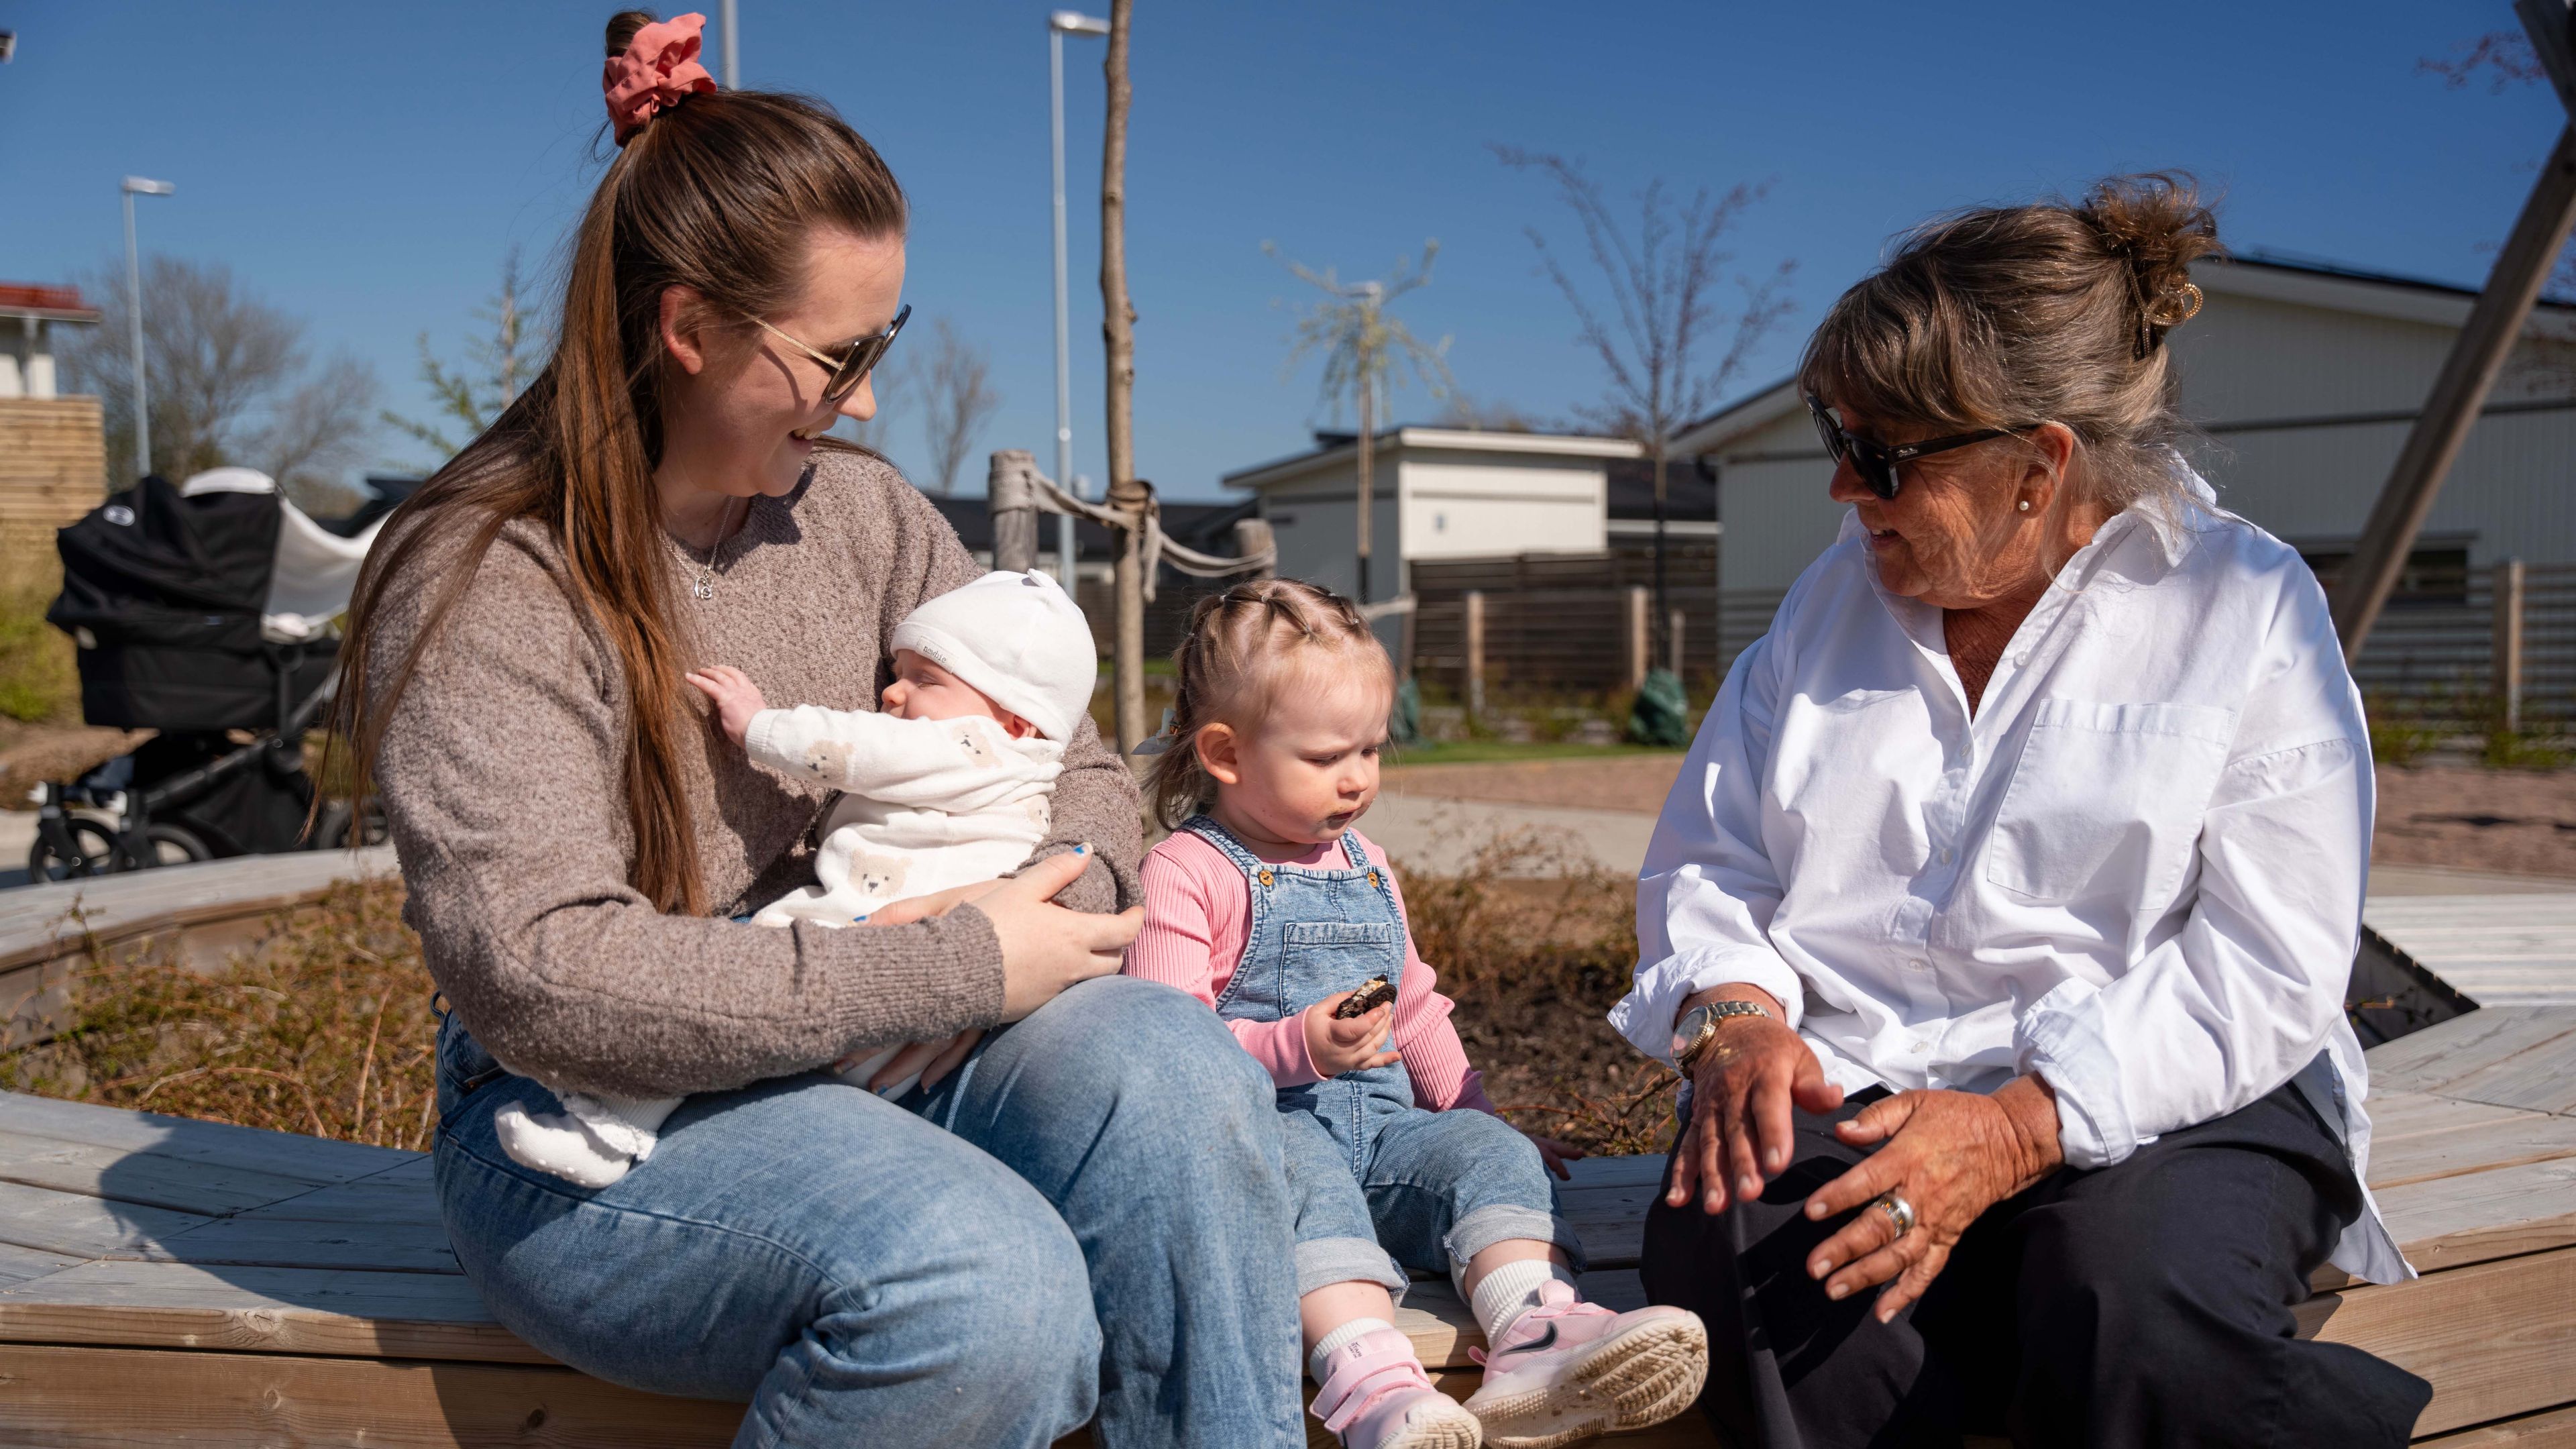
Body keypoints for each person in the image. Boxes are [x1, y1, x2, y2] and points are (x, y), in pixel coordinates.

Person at [330, 13, 1305, 1446]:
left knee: (1175, 1074)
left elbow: (1079, 769)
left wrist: (1018, 919)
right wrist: (940, 963)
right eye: (840, 354)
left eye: (883, 339)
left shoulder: (858, 514)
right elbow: (537, 974)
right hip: (588, 1122)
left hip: (879, 1038)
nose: (868, 393)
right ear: (688, 331)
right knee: (981, 1289)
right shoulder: (488, 580)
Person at [1611, 174, 2435, 1448]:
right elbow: (1715, 858)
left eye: (1879, 454)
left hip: (2174, 1099)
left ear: (2038, 468)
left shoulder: (2244, 608)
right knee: (1741, 1242)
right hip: (1869, 1073)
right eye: (1835, 435)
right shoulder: (1826, 611)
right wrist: (1738, 1018)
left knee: (2131, 1298)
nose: (1841, 488)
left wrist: (2014, 1130)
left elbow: (2269, 961)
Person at [1124, 579, 1709, 1449]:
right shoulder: (1187, 870)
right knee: (1300, 1179)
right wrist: (1300, 1045)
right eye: (1327, 758)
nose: (1358, 778)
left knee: (1491, 1155)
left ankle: (1536, 1340)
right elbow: (1173, 1050)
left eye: (1371, 748)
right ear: (1225, 752)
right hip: (1264, 1139)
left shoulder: (1366, 861)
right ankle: (1373, 1385)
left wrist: (1473, 1114)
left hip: (1389, 1140)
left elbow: (1418, 1004)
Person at [489, 568, 1098, 1187]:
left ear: (1017, 721)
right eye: (897, 672)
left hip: (865, 929)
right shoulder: (1024, 772)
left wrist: (759, 725)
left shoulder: (975, 748)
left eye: (924, 680)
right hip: (914, 1008)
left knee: (724, 998)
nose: (891, 694)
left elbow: (859, 748)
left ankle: (612, 1125)